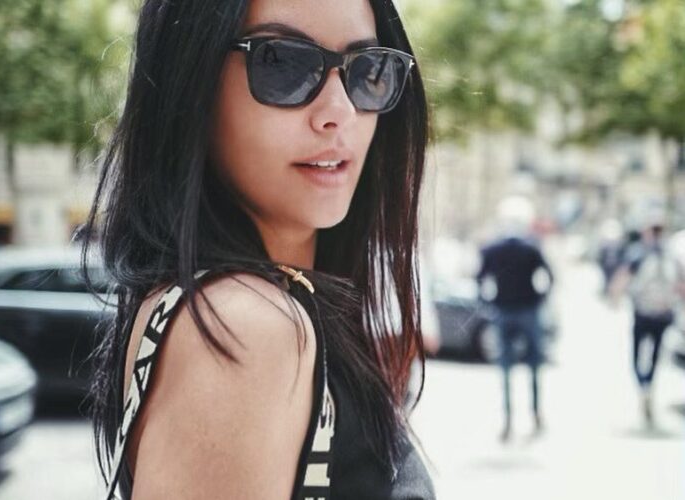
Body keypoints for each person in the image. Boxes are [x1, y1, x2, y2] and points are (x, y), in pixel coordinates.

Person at [80, 0, 435, 498]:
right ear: (191, 80)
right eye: (283, 62)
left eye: (368, 70)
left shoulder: (257, 305)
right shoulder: (244, 328)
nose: (340, 112)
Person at [476, 198, 553, 442]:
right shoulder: (532, 248)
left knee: (506, 368)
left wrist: (488, 302)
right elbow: (550, 276)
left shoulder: (492, 249)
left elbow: (479, 278)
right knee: (534, 365)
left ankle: (508, 421)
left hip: (504, 310)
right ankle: (535, 415)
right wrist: (540, 298)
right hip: (528, 310)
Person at [610, 220, 685, 426]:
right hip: (664, 313)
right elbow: (681, 284)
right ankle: (649, 384)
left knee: (636, 353)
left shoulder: (640, 253)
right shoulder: (671, 256)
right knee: (655, 353)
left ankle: (643, 385)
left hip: (642, 312)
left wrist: (615, 297)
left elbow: (624, 276)